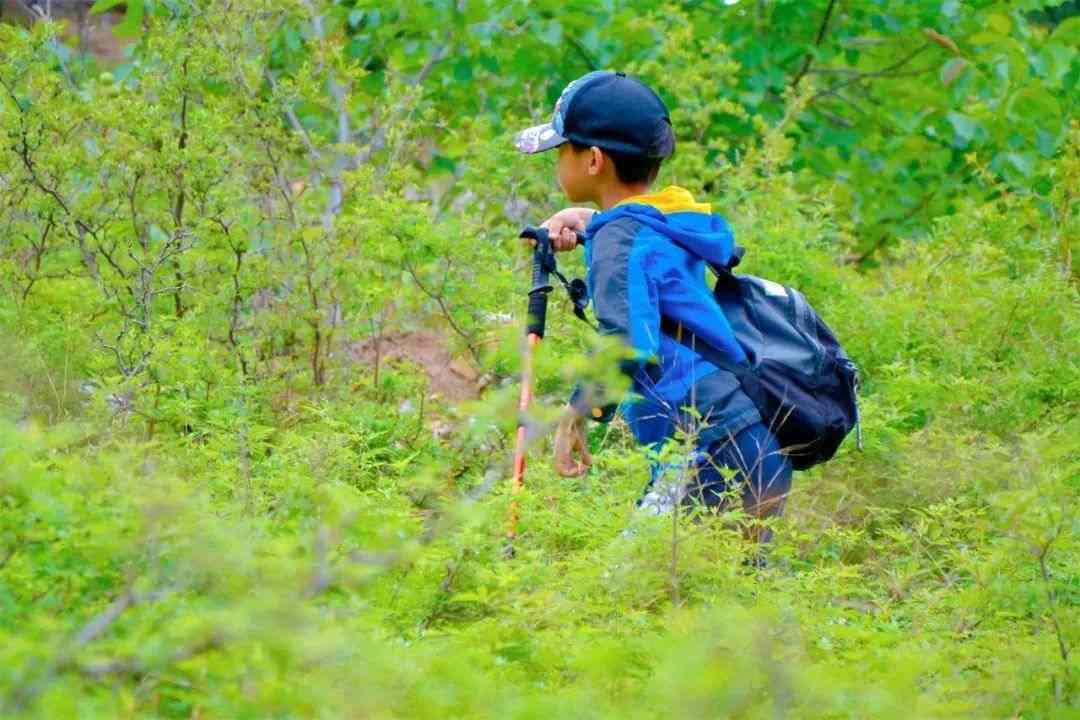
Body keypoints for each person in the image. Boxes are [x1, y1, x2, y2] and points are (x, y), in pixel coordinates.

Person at [514, 71, 792, 537]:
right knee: (723, 604)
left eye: (563, 149)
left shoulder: (621, 237)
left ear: (594, 160)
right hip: (752, 447)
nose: (557, 159)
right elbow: (639, 244)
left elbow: (626, 341)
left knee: (625, 596)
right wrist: (591, 224)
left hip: (705, 446)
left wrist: (577, 412)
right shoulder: (668, 219)